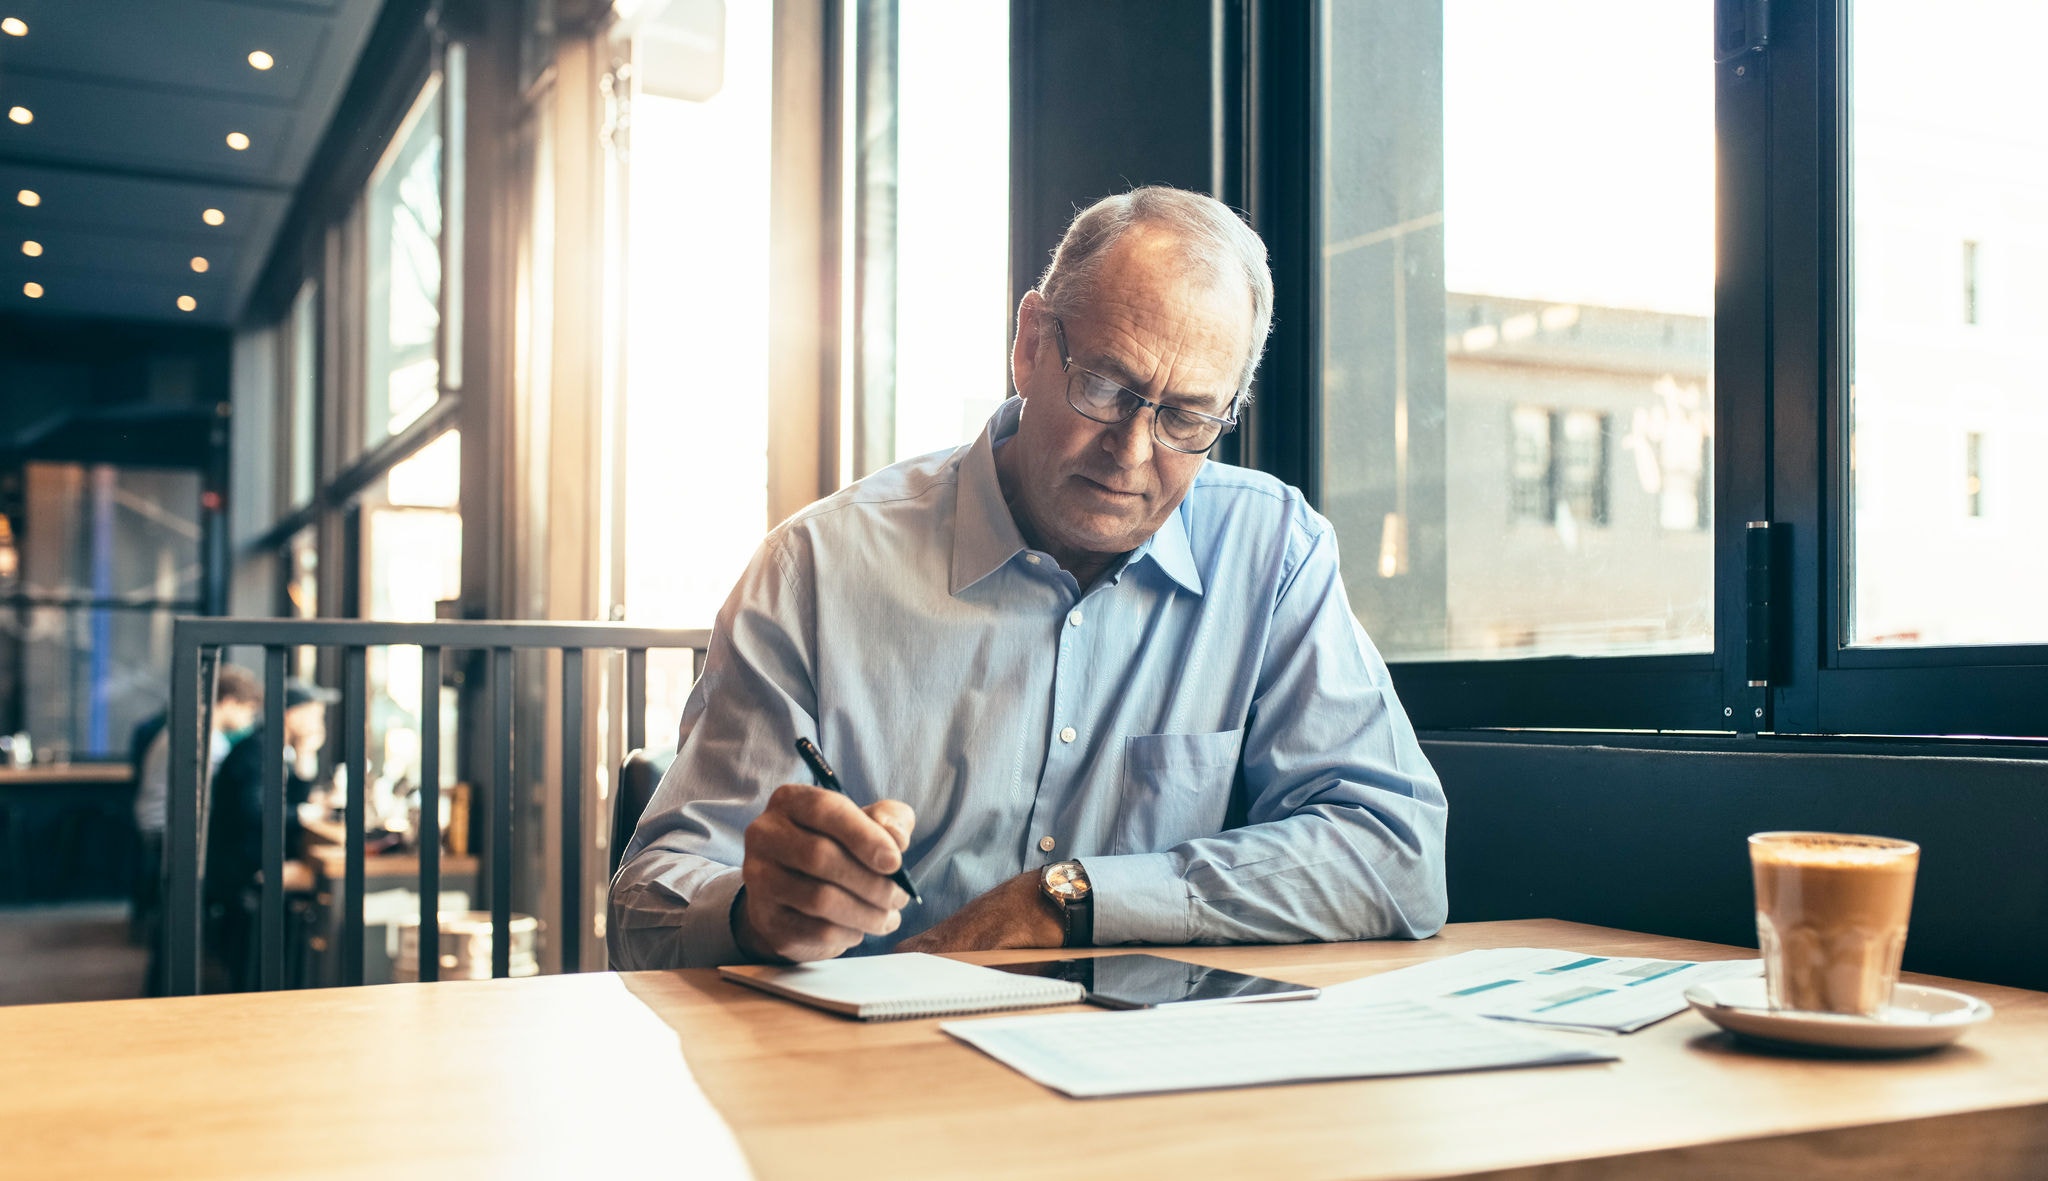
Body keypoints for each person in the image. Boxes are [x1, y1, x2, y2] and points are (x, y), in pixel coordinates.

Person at [610, 186, 1447, 969]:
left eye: (1187, 417)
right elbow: (646, 905)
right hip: (870, 1077)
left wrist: (1068, 899)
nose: (1132, 452)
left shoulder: (1272, 552)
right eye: (1107, 387)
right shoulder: (817, 568)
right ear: (1030, 345)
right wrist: (758, 911)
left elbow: (1397, 855)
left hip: (1144, 1079)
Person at [202, 678, 337, 991]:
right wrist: (305, 813)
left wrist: (305, 756)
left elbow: (291, 802)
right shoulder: (257, 751)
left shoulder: (272, 748)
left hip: (250, 856)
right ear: (291, 714)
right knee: (320, 885)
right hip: (242, 866)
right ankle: (276, 980)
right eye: (313, 711)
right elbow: (256, 811)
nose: (320, 719)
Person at [131, 665, 262, 948]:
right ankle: (230, 953)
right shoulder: (206, 740)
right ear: (228, 703)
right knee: (241, 864)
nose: (250, 720)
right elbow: (226, 796)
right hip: (166, 828)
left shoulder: (185, 727)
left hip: (153, 822)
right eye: (248, 711)